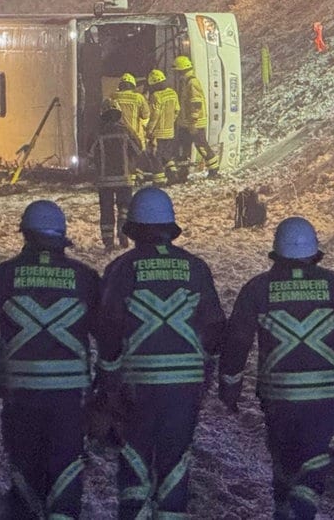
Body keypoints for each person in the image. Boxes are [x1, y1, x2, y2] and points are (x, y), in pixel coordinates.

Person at [0, 201, 100, 520]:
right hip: (69, 398)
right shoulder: (85, 278)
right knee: (66, 470)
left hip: (20, 395)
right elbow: (110, 337)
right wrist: (106, 387)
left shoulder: (5, 275)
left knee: (25, 471)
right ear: (62, 236)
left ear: (25, 234)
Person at [219, 216, 334, 520]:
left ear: (275, 253)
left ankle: (284, 510)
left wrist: (230, 383)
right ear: (315, 252)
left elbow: (237, 340)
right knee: (314, 462)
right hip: (324, 395)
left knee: (284, 461)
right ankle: (299, 513)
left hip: (278, 394)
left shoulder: (256, 289)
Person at [93, 187, 224, 520]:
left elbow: (107, 329)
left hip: (136, 384)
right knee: (175, 463)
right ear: (170, 227)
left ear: (133, 229)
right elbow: (214, 329)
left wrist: (107, 381)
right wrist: (205, 377)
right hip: (184, 386)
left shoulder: (121, 269)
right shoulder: (197, 268)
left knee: (134, 459)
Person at [88, 101, 142, 250]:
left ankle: (108, 241)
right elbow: (138, 149)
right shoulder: (126, 131)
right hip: (125, 178)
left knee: (106, 209)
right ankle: (123, 230)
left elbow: (89, 154)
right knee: (124, 207)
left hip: (104, 180)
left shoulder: (98, 133)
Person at [172, 56, 219, 181]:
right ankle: (182, 174)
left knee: (201, 146)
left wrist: (193, 122)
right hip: (186, 123)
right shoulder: (186, 81)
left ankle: (214, 169)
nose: (176, 73)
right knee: (184, 148)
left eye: (177, 70)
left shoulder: (192, 82)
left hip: (194, 123)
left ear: (181, 69)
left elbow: (196, 103)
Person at [146, 69, 181, 185]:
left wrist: (149, 130)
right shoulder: (172, 93)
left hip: (158, 132)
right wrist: (171, 122)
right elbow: (177, 110)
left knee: (156, 156)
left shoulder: (156, 96)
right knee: (167, 155)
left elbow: (154, 115)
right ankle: (173, 174)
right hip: (170, 131)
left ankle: (159, 180)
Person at [110, 72, 151, 149]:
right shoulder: (139, 97)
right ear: (133, 85)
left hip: (117, 135)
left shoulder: (113, 96)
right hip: (134, 136)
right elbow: (146, 115)